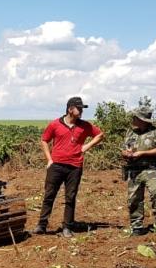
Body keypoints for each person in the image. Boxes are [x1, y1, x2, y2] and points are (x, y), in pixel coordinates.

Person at [32, 96, 104, 238]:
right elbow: (44, 140)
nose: (82, 111)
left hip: (75, 166)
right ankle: (42, 224)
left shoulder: (85, 126)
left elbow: (100, 135)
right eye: (79, 108)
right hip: (56, 165)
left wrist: (86, 147)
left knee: (70, 197)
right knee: (49, 195)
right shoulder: (54, 124)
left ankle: (67, 227)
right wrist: (49, 159)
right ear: (70, 109)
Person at [122, 105, 156, 236]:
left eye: (136, 117)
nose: (133, 119)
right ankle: (137, 226)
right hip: (133, 171)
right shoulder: (130, 132)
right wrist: (127, 153)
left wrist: (142, 153)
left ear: (142, 119)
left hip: (151, 170)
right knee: (134, 199)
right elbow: (124, 149)